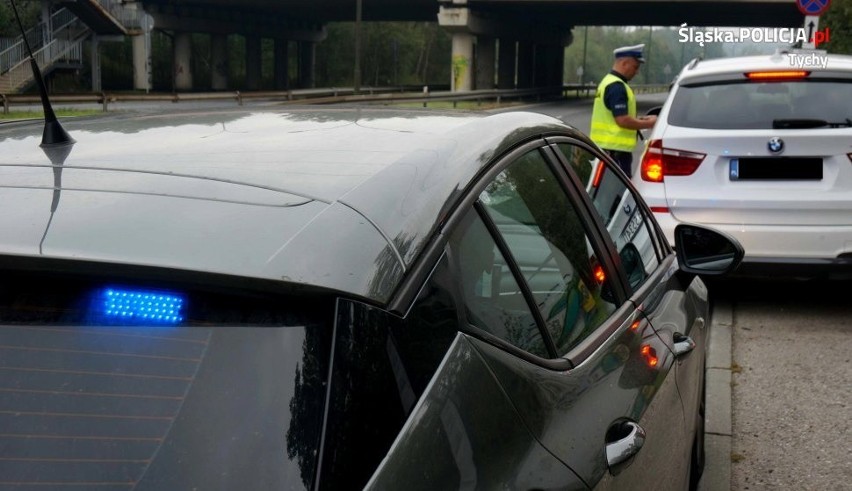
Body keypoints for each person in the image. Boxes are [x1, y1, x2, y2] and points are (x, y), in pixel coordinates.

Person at [590, 44, 657, 178]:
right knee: (618, 193)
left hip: (606, 149)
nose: (637, 72)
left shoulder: (608, 81)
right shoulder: (617, 87)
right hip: (615, 152)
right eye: (635, 67)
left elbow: (613, 115)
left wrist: (639, 120)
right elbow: (622, 120)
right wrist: (650, 123)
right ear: (624, 63)